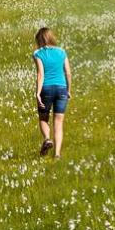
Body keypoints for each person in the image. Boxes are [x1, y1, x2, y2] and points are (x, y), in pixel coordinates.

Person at [32, 27, 71, 158]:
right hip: (62, 89)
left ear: (39, 40)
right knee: (58, 122)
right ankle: (57, 154)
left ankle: (47, 139)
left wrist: (37, 93)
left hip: (47, 89)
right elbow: (68, 72)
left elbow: (40, 74)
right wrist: (68, 90)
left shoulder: (38, 53)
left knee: (43, 118)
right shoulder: (62, 52)